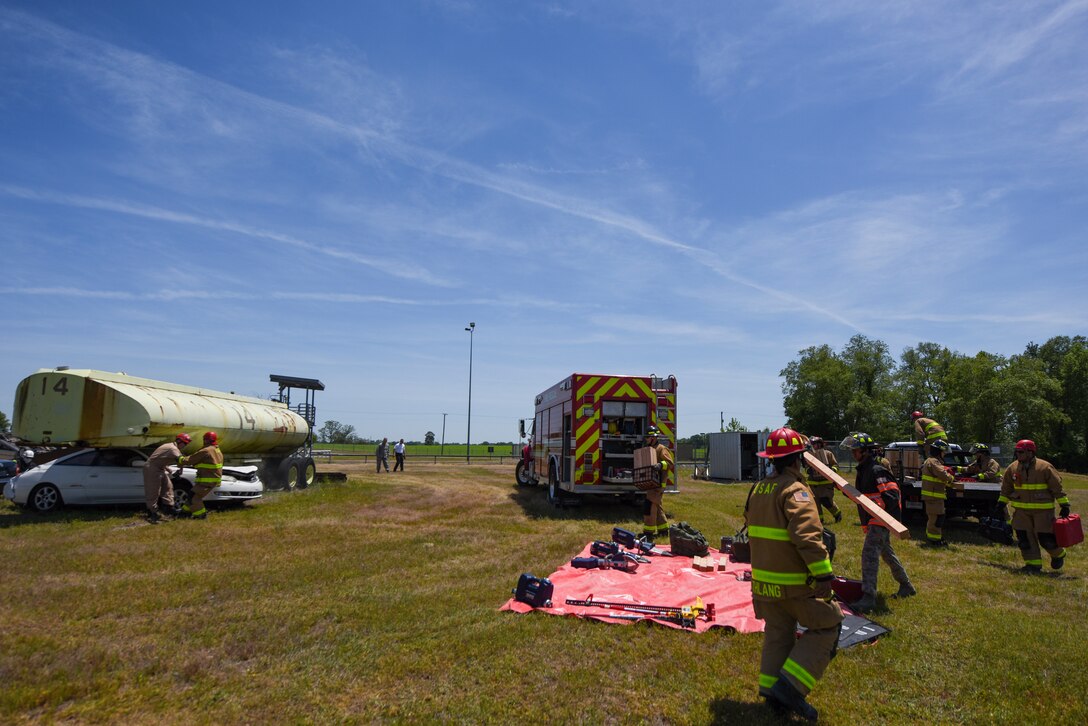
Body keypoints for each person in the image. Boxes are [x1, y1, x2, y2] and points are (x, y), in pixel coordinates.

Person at [747, 427, 841, 722]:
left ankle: (770, 692)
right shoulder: (795, 491)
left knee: (778, 634)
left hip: (764, 584)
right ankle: (791, 687)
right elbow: (807, 538)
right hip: (795, 586)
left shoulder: (758, 489)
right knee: (829, 626)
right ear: (798, 459)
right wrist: (824, 575)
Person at [839, 433, 916, 613]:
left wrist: (884, 517)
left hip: (881, 518)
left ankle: (868, 597)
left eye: (855, 450)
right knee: (886, 553)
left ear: (866, 451)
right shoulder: (863, 469)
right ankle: (906, 586)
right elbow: (862, 495)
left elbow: (892, 495)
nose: (853, 453)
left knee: (869, 555)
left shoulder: (876, 470)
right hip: (874, 518)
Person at [997, 439, 1073, 573]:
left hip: (1042, 512)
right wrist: (1001, 503)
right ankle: (1033, 565)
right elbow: (1006, 488)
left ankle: (1058, 554)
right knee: (1024, 539)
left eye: (1021, 452)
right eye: (1017, 452)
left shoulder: (1045, 467)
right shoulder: (1013, 468)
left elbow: (1057, 487)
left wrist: (1064, 505)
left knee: (1046, 539)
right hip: (1021, 511)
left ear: (1030, 452)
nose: (1018, 454)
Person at [920, 438, 959, 546]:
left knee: (938, 517)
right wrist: (951, 478)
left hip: (935, 496)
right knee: (935, 519)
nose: (944, 454)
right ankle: (934, 540)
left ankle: (934, 538)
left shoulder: (932, 461)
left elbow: (938, 479)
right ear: (938, 451)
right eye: (943, 451)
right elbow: (942, 474)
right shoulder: (933, 461)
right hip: (933, 497)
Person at [143, 433, 190, 523]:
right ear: (179, 441)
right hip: (152, 468)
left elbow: (160, 458)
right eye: (185, 443)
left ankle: (168, 508)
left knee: (168, 487)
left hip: (160, 468)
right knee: (153, 491)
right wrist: (182, 468)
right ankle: (152, 512)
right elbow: (181, 459)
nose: (185, 445)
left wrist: (169, 470)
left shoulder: (171, 447)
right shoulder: (172, 448)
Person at [178, 431, 222, 520]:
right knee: (191, 496)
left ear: (205, 440)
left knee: (195, 498)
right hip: (210, 480)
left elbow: (190, 460)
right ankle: (184, 513)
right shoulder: (216, 449)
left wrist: (180, 459)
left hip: (206, 481)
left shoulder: (206, 450)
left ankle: (201, 516)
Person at [641, 426, 672, 541]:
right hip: (651, 483)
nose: (646, 439)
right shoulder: (649, 449)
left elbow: (670, 463)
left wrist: (660, 465)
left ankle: (648, 533)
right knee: (657, 507)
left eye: (648, 437)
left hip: (658, 485)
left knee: (649, 506)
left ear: (653, 437)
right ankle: (663, 530)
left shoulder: (661, 449)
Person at [804, 436, 842, 524]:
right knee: (815, 503)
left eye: (816, 444)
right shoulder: (809, 456)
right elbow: (806, 467)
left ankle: (837, 514)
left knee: (826, 501)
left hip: (826, 483)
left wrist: (831, 470)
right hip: (813, 484)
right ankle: (819, 520)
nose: (814, 446)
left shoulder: (828, 454)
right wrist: (809, 470)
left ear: (820, 444)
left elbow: (835, 465)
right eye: (812, 444)